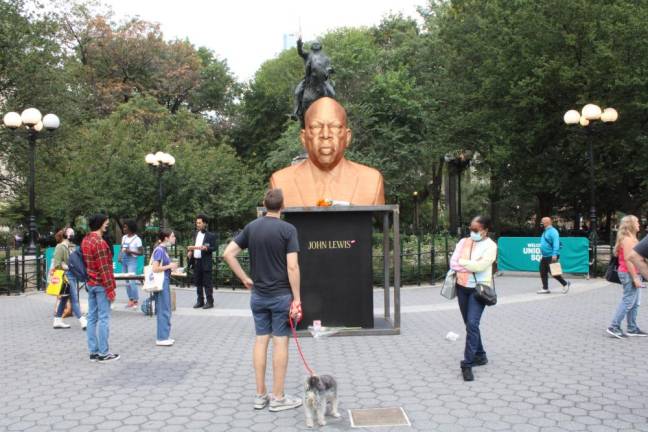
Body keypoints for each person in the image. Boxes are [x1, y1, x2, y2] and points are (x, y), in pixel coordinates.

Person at [222, 189, 303, 412]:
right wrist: (297, 298)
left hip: (258, 296)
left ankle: (260, 395)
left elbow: (228, 253)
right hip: (280, 296)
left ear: (264, 205)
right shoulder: (288, 230)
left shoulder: (252, 227)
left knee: (260, 341)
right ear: (282, 207)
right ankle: (278, 398)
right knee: (280, 342)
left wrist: (245, 279)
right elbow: (292, 266)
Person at [271, 97, 385, 207]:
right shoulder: (280, 182)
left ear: (347, 137)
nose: (325, 135)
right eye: (316, 127)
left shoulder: (372, 181)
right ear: (304, 137)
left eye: (335, 126)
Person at [450, 215, 498, 382]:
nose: (472, 232)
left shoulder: (491, 246)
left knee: (472, 323)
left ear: (485, 231)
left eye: (475, 230)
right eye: (470, 229)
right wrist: (468, 264)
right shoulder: (464, 242)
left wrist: (463, 263)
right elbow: (452, 263)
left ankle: (467, 363)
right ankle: (481, 355)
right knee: (470, 325)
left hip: (479, 291)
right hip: (462, 287)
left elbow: (480, 267)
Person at [81, 214, 119, 362]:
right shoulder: (100, 243)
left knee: (92, 318)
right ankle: (104, 353)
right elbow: (105, 269)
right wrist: (111, 289)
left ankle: (93, 352)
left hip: (90, 283)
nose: (107, 225)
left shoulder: (85, 240)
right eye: (106, 223)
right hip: (101, 285)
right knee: (103, 318)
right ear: (100, 223)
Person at [607, 215, 646, 338]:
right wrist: (635, 277)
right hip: (629, 273)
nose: (639, 224)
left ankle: (632, 328)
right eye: (637, 222)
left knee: (635, 303)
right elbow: (629, 260)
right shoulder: (628, 240)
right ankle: (614, 326)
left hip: (634, 273)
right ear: (630, 224)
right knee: (628, 301)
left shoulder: (631, 238)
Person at [52, 228, 86, 330]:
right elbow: (57, 264)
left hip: (72, 275)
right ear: (66, 235)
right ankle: (83, 320)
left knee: (64, 298)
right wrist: (68, 266)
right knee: (74, 299)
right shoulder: (60, 247)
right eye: (71, 233)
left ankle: (57, 320)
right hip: (66, 276)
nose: (73, 234)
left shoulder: (71, 247)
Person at [151, 229, 178, 346]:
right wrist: (169, 266)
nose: (174, 238)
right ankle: (162, 338)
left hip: (164, 280)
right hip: (161, 281)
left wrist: (170, 267)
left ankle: (164, 335)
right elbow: (155, 268)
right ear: (166, 238)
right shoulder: (160, 250)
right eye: (172, 236)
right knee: (164, 308)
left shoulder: (163, 250)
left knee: (165, 308)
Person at [187, 214, 217, 309]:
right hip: (196, 262)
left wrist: (206, 248)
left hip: (205, 262)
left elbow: (214, 248)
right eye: (197, 223)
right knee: (198, 282)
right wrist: (190, 252)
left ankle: (210, 302)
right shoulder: (195, 234)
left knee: (207, 283)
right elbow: (194, 245)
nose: (198, 224)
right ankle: (200, 301)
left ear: (205, 223)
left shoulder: (211, 235)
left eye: (199, 223)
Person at [537, 217, 570, 294]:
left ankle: (565, 284)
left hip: (551, 255)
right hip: (545, 256)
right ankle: (545, 288)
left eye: (542, 222)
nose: (541, 224)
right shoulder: (545, 231)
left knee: (554, 272)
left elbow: (556, 244)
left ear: (547, 222)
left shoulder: (553, 231)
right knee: (542, 271)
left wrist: (554, 255)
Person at [120, 220, 143, 309]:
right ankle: (130, 299)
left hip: (132, 260)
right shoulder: (124, 237)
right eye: (124, 227)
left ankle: (135, 300)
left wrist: (131, 251)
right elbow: (122, 248)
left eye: (125, 227)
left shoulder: (137, 239)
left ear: (131, 228)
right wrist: (120, 256)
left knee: (131, 281)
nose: (124, 228)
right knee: (126, 282)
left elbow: (141, 252)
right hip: (124, 260)